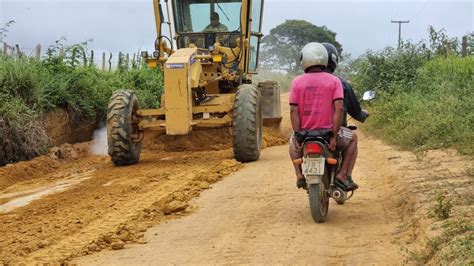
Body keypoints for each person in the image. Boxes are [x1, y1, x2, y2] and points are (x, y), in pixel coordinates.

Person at [289, 42, 356, 191]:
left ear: (303, 60)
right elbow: (338, 108)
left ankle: (299, 175)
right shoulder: (334, 81)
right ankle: (342, 174)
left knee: (291, 142)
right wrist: (333, 136)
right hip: (327, 134)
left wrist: (299, 136)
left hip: (305, 135)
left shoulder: (296, 82)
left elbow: (294, 111)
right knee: (353, 138)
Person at [321, 42, 370, 190]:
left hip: (308, 132)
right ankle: (344, 175)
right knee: (353, 137)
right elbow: (355, 112)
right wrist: (363, 114)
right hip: (334, 133)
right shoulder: (341, 83)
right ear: (334, 61)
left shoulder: (302, 82)